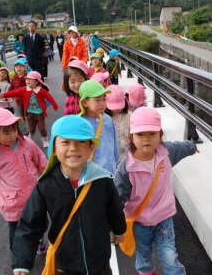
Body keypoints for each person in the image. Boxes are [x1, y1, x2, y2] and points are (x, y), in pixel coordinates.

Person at [11, 115, 126, 275]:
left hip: (100, 262)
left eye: (81, 142)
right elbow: (30, 223)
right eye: (65, 142)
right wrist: (22, 262)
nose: (73, 148)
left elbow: (114, 209)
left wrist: (119, 229)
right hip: (65, 264)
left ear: (91, 148)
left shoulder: (103, 180)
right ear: (54, 149)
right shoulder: (46, 185)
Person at [114, 107, 199, 275]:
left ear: (160, 135)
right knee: (143, 256)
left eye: (152, 134)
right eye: (140, 135)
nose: (146, 139)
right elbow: (118, 197)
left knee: (169, 256)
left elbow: (182, 147)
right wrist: (115, 224)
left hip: (163, 217)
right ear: (131, 137)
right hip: (138, 220)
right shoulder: (126, 167)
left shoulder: (167, 152)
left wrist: (192, 147)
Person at [0, 108, 48, 252]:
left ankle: (38, 240)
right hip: (12, 200)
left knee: (42, 223)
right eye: (6, 132)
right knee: (16, 230)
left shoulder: (27, 144)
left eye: (14, 130)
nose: (12, 135)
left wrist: (49, 176)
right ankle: (18, 257)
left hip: (34, 195)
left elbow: (41, 161)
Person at [1, 71, 59, 148]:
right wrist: (4, 95)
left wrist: (55, 106)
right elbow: (15, 92)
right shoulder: (24, 89)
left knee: (42, 129)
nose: (27, 81)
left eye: (30, 79)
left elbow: (49, 98)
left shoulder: (41, 90)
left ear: (36, 82)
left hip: (39, 114)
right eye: (27, 79)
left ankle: (45, 140)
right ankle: (30, 138)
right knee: (31, 129)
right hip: (29, 113)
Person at [78, 80, 118, 173]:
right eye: (97, 100)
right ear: (84, 102)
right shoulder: (80, 123)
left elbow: (114, 142)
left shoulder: (108, 119)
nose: (102, 103)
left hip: (110, 170)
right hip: (90, 173)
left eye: (104, 99)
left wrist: (115, 161)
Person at [105, 84, 131, 164]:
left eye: (119, 106)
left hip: (128, 155)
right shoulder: (104, 119)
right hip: (112, 157)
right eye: (113, 107)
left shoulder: (130, 116)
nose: (116, 109)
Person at [9, 59, 29, 133]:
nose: (18, 68)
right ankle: (28, 123)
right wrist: (7, 95)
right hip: (18, 101)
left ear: (24, 68)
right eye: (16, 67)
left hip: (28, 100)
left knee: (27, 114)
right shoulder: (14, 78)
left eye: (21, 66)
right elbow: (11, 88)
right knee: (22, 115)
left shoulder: (28, 77)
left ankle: (29, 128)